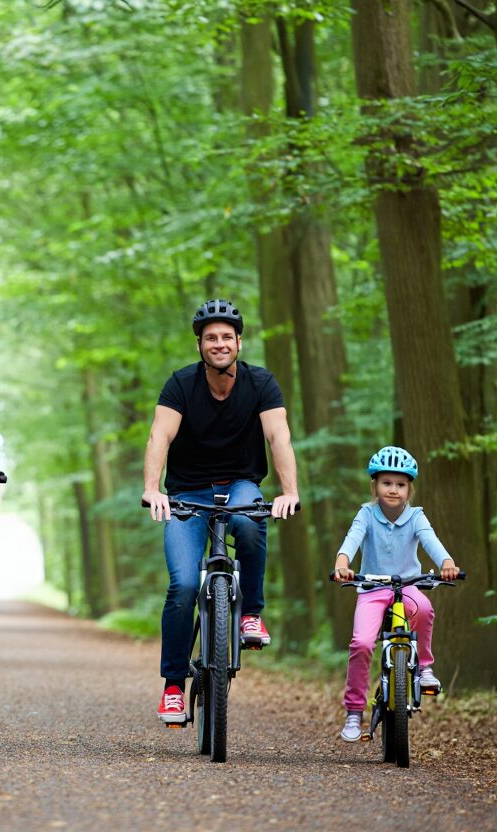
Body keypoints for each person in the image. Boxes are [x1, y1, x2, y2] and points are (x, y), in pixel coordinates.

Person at [143, 298, 301, 725]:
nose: (219, 343)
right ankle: (173, 687)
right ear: (199, 345)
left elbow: (279, 437)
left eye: (226, 337)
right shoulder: (180, 385)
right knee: (181, 587)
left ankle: (250, 614)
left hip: (240, 485)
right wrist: (152, 489)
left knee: (249, 522)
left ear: (239, 342)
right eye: (210, 337)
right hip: (187, 494)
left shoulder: (261, 383)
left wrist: (289, 491)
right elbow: (159, 436)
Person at [333, 445, 460, 742]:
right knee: (362, 643)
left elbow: (430, 540)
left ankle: (424, 668)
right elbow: (352, 539)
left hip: (408, 586)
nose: (393, 490)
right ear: (375, 486)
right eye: (387, 483)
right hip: (372, 589)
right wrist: (342, 562)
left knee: (425, 609)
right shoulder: (366, 514)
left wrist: (447, 563)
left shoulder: (416, 517)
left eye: (400, 485)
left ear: (409, 489)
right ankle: (354, 711)